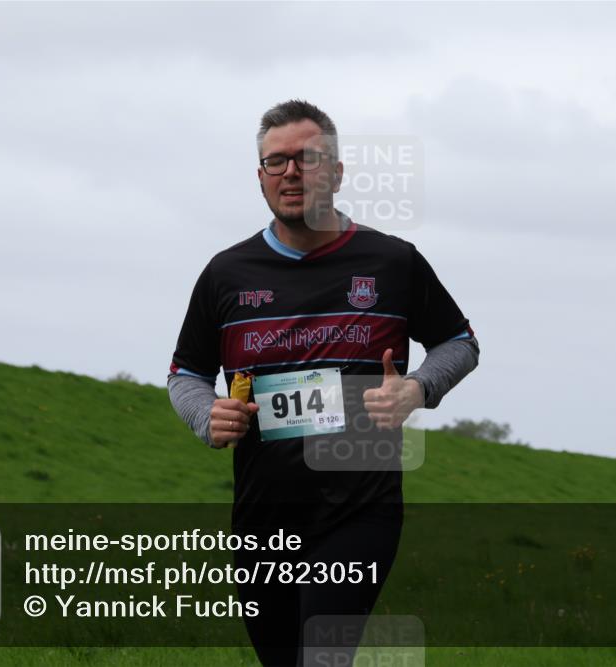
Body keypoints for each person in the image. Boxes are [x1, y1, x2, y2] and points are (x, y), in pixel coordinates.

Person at [168, 99, 479, 666]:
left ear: (336, 172)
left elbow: (460, 343)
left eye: (307, 159)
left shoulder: (393, 262)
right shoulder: (225, 274)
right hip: (262, 516)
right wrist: (205, 414)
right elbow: (186, 373)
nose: (291, 172)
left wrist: (417, 389)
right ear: (260, 176)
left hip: (359, 508)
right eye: (276, 161)